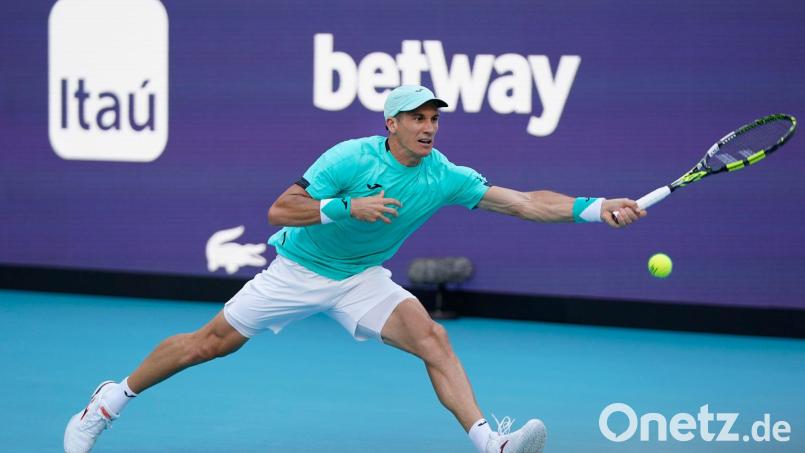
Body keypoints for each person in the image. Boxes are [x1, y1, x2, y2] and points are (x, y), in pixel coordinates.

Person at [64, 85, 646, 453]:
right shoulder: (349, 157)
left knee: (432, 338)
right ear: (390, 123)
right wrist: (345, 206)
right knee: (209, 344)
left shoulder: (443, 173)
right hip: (298, 268)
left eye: (434, 118)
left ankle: (490, 443)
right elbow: (279, 209)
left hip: (361, 278)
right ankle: (106, 403)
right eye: (416, 117)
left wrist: (596, 209)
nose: (428, 126)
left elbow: (522, 201)